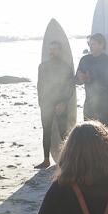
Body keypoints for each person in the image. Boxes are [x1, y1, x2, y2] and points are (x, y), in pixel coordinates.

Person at [36, 41, 75, 169]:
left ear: (60, 51)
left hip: (61, 103)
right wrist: (41, 101)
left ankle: (67, 159)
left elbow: (70, 87)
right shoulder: (43, 66)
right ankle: (46, 160)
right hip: (47, 102)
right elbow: (40, 85)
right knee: (46, 131)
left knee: (63, 132)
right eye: (50, 49)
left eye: (55, 49)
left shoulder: (66, 67)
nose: (52, 52)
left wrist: (63, 102)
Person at [76, 33, 108, 125]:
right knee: (87, 132)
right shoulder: (84, 60)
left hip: (104, 105)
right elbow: (77, 81)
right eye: (89, 44)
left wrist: (90, 78)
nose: (90, 46)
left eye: (93, 44)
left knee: (101, 134)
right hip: (89, 104)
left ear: (101, 45)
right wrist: (80, 79)